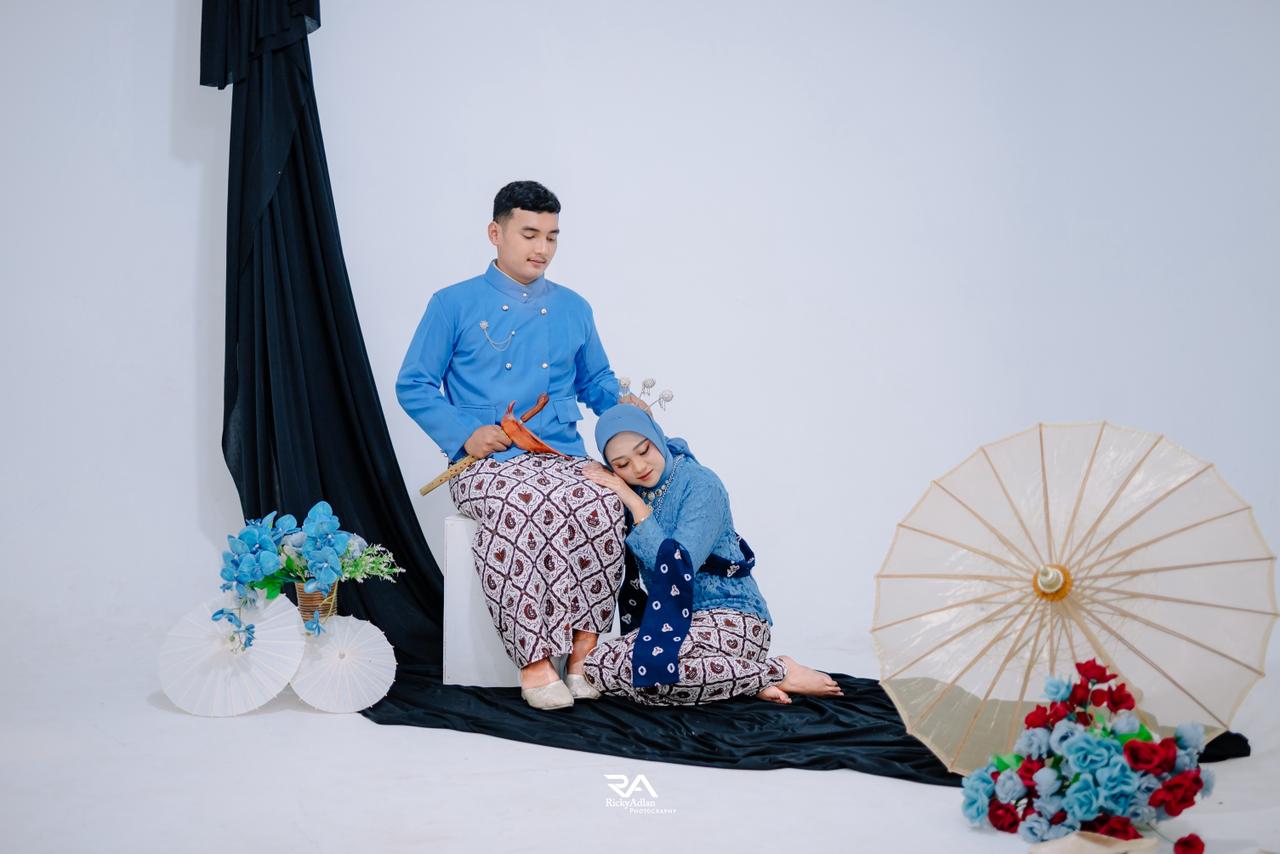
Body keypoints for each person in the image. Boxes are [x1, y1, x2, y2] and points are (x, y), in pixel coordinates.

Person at [396, 180, 647, 710]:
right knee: (521, 504)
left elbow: (596, 381)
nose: (542, 248)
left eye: (552, 237)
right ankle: (534, 662)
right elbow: (413, 383)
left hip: (561, 455)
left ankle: (584, 655)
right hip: (486, 462)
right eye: (530, 234)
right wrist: (464, 433)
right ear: (496, 232)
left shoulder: (574, 307)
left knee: (602, 500)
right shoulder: (452, 303)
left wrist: (625, 406)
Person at [580, 404, 844, 705]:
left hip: (734, 617)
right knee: (596, 666)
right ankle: (749, 681)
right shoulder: (637, 489)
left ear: (657, 436)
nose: (639, 467)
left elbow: (677, 568)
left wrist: (634, 504)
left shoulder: (701, 484)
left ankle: (779, 670)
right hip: (672, 623)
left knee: (653, 677)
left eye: (644, 450)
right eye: (622, 464)